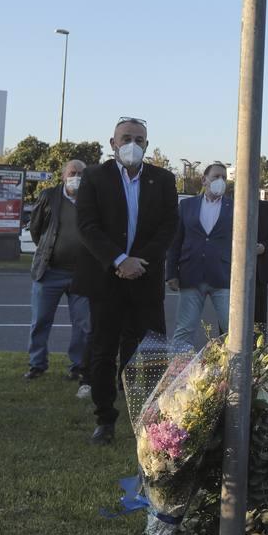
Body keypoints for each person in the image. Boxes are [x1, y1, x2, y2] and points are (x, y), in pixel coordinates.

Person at [74, 117, 179, 445]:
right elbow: (87, 226)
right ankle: (105, 418)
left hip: (145, 279)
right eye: (125, 138)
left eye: (138, 139)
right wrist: (120, 260)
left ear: (147, 144)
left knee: (150, 349)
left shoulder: (162, 179)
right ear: (112, 143)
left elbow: (168, 226)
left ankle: (150, 418)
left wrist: (139, 262)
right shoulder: (94, 177)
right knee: (104, 351)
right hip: (107, 278)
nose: (132, 143)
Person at [25, 159, 93, 397]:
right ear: (63, 176)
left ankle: (77, 366)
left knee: (83, 324)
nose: (77, 176)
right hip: (50, 271)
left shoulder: (92, 199)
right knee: (40, 320)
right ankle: (37, 365)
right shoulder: (49, 196)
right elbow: (36, 228)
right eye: (72, 172)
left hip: (82, 274)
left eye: (81, 173)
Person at [166, 163, 235, 349]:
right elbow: (176, 241)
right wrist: (171, 273)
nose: (220, 181)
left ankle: (235, 373)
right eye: (216, 177)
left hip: (223, 277)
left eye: (224, 177)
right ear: (204, 180)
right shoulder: (187, 205)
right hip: (191, 275)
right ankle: (178, 372)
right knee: (184, 330)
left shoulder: (235, 207)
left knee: (234, 330)